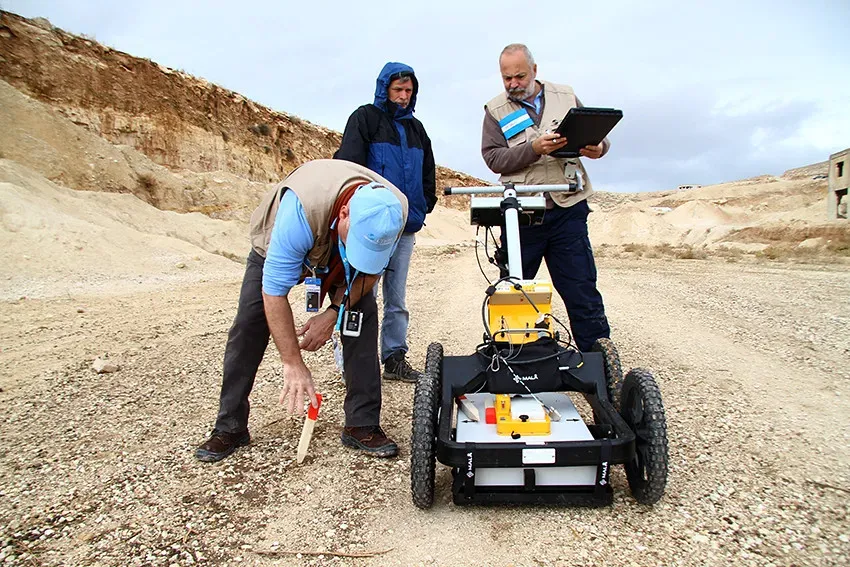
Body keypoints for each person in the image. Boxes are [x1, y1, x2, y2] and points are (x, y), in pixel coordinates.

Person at [195, 159, 408, 463]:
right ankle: (230, 426)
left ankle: (362, 423)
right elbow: (273, 293)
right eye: (359, 241)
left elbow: (371, 274)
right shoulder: (301, 210)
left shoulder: (393, 210)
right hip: (284, 240)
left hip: (338, 241)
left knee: (361, 318)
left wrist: (333, 312)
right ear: (345, 213)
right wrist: (292, 362)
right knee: (249, 325)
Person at [481, 43, 611, 352]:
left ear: (535, 71)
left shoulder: (565, 96)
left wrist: (599, 147)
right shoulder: (495, 110)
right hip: (522, 215)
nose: (513, 84)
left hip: (569, 209)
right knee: (512, 292)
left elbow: (599, 138)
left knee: (581, 289)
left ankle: (600, 370)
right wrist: (534, 150)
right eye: (507, 78)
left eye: (520, 76)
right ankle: (509, 359)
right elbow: (494, 159)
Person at [333, 62, 437, 383]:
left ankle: (394, 359)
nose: (403, 97)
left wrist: (422, 207)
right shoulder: (365, 119)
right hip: (372, 228)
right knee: (362, 293)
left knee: (397, 298)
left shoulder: (417, 131)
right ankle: (354, 363)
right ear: (384, 89)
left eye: (408, 91)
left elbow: (428, 176)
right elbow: (348, 166)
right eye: (398, 90)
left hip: (405, 227)